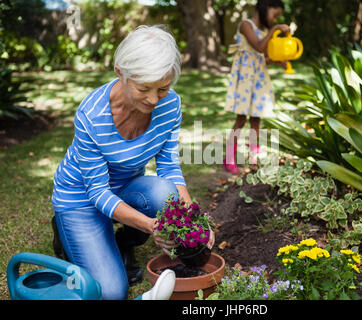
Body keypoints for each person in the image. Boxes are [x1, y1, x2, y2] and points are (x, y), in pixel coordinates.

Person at [50, 25, 214, 300]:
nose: (153, 99)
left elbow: (169, 168)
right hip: (81, 198)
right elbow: (98, 192)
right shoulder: (91, 114)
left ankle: (121, 242)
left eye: (162, 88)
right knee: (111, 292)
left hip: (126, 186)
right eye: (143, 89)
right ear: (120, 73)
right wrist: (152, 226)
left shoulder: (170, 105)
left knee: (165, 193)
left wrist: (193, 219)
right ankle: (66, 230)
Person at [223, 0, 290, 175]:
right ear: (265, 8)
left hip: (258, 79)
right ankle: (229, 157)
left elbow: (264, 57)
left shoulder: (265, 31)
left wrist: (277, 60)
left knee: (256, 120)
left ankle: (255, 157)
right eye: (274, 15)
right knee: (241, 120)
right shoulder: (246, 25)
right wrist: (274, 31)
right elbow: (259, 47)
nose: (275, 19)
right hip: (245, 80)